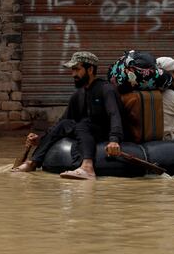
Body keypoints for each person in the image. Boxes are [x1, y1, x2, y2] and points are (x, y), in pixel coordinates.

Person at [13, 51, 124, 180]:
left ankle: (88, 167)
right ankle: (32, 162)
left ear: (90, 69)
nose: (73, 74)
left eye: (77, 69)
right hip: (84, 132)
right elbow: (63, 121)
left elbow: (114, 115)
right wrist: (41, 139)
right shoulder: (78, 95)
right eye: (72, 70)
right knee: (64, 124)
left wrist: (114, 140)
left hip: (104, 132)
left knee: (83, 124)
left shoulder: (106, 89)